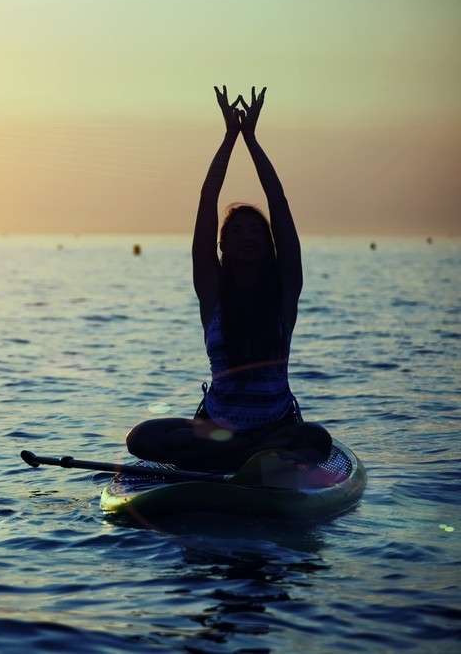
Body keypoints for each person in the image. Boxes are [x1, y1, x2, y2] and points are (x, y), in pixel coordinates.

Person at [125, 86, 332, 472]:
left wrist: (251, 139)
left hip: (276, 429)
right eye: (237, 232)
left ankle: (244, 459)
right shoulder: (212, 291)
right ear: (222, 244)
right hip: (218, 431)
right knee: (141, 437)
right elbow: (207, 199)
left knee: (316, 439)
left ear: (269, 243)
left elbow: (279, 201)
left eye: (256, 231)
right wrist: (228, 137)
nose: (248, 237)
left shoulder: (285, 288)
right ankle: (248, 460)